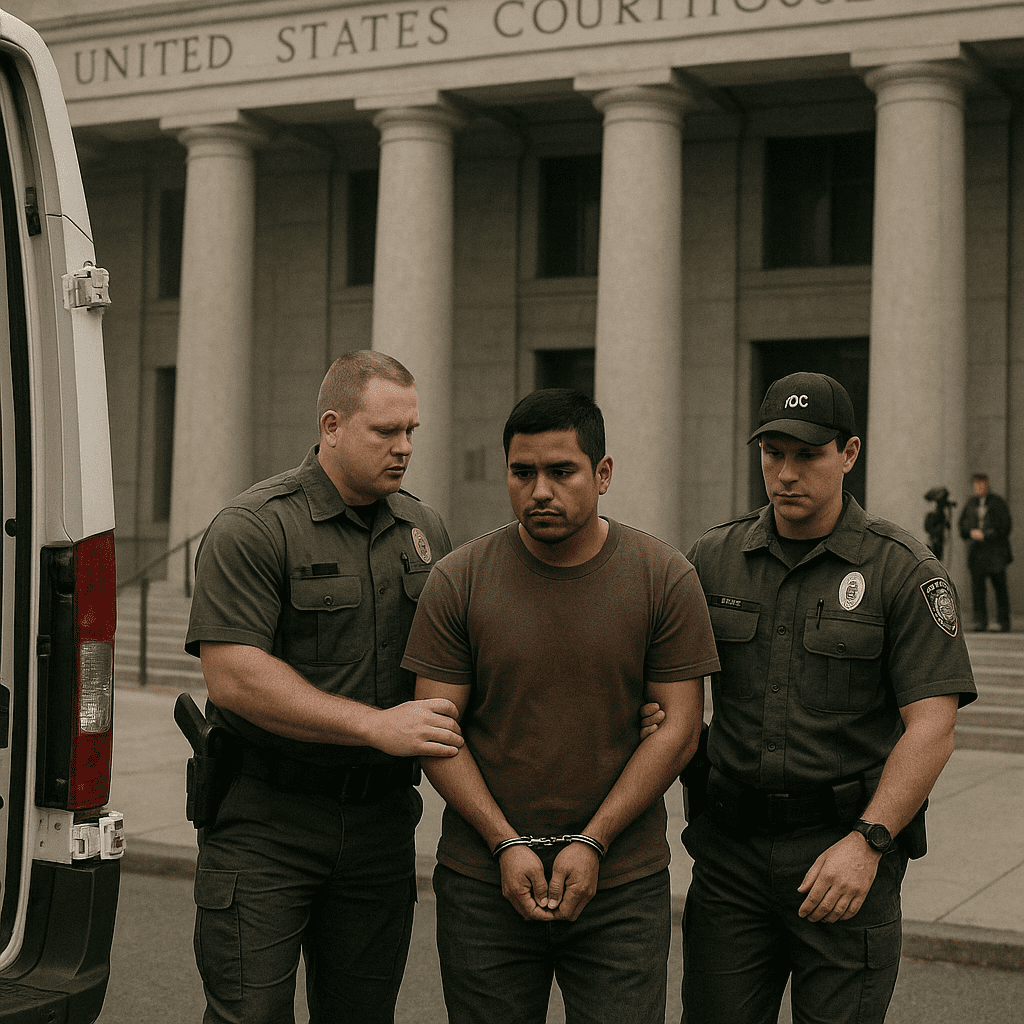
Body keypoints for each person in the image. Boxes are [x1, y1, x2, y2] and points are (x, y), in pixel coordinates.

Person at [402, 388, 720, 1024]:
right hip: (483, 882)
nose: (539, 490)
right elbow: (437, 730)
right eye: (523, 473)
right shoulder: (458, 580)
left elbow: (680, 730)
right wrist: (504, 844)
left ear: (602, 474)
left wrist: (593, 843)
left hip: (622, 887)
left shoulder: (665, 577)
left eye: (562, 472)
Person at [678, 372, 977, 1024]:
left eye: (807, 454)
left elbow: (932, 727)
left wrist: (868, 842)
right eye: (772, 453)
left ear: (849, 454)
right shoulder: (711, 559)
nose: (785, 473)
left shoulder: (902, 570)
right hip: (731, 860)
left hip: (845, 858)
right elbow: (668, 693)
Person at [183, 350, 464, 1024]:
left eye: (411, 432)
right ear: (332, 426)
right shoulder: (255, 526)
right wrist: (373, 725)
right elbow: (234, 675)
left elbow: (462, 656)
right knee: (251, 1015)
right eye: (385, 432)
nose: (403, 448)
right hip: (265, 821)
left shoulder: (424, 530)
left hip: (379, 824)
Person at [958, 473, 1013, 632]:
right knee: (978, 590)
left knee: (1000, 587)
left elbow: (1005, 526)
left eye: (981, 485)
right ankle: (980, 621)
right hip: (977, 554)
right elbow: (962, 525)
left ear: (987, 485)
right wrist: (970, 532)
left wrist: (987, 534)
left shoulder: (998, 503)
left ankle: (1004, 621)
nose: (979, 488)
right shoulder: (970, 504)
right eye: (976, 486)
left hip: (996, 554)